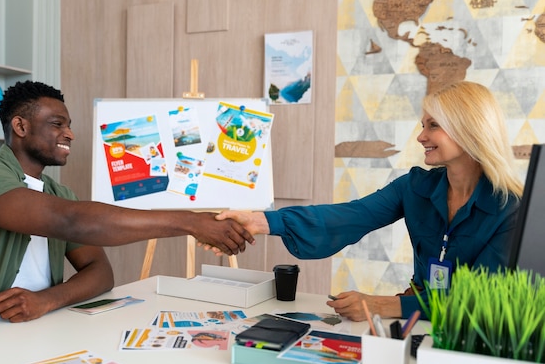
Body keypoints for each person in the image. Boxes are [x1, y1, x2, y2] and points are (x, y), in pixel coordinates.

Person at [0, 80, 254, 332]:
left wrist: (46, 300)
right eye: (58, 124)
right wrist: (190, 222)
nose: (70, 134)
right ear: (20, 126)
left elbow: (100, 272)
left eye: (69, 125)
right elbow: (70, 222)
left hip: (31, 329)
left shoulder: (58, 191)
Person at [213, 81, 523, 321]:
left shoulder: (511, 208)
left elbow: (478, 300)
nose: (420, 137)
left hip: (472, 337)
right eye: (422, 125)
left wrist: (382, 305)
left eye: (433, 125)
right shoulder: (415, 187)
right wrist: (260, 221)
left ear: (468, 130)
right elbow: (352, 215)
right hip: (419, 321)